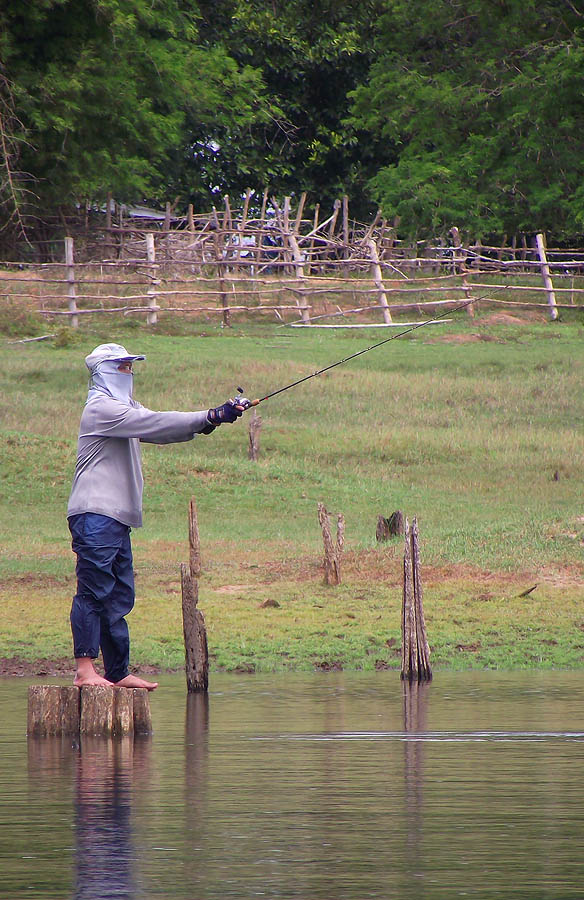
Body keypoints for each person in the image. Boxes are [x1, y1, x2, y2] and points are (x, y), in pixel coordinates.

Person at [67, 342, 245, 690]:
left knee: (118, 596)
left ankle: (117, 672)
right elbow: (153, 422)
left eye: (131, 367)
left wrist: (213, 421)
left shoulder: (125, 407)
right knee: (93, 592)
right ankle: (85, 670)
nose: (128, 373)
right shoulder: (101, 409)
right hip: (94, 514)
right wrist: (209, 414)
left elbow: (162, 429)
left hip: (116, 518)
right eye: (122, 367)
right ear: (102, 371)